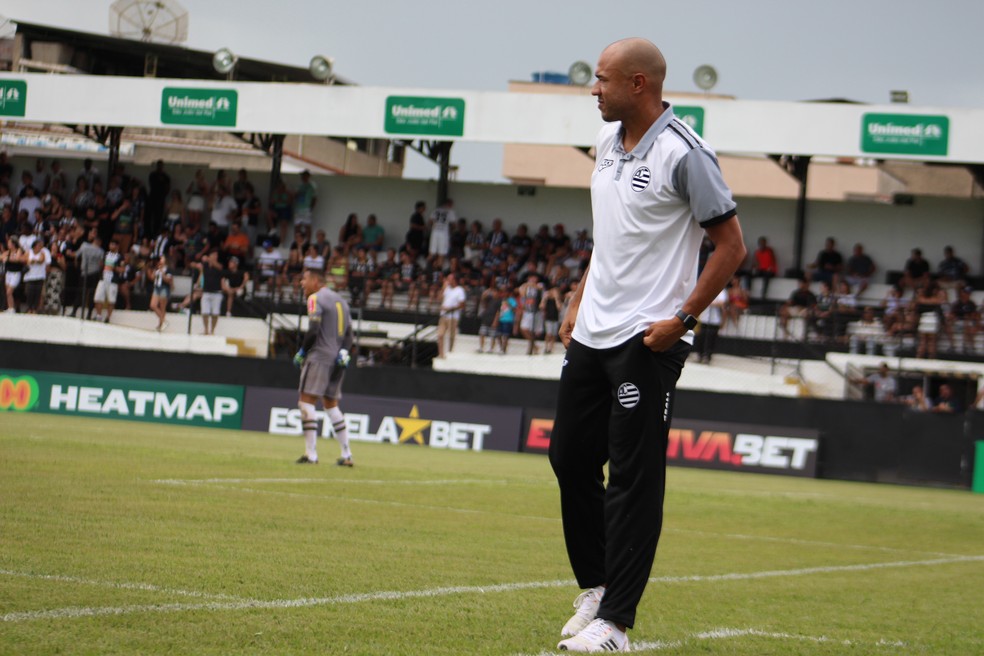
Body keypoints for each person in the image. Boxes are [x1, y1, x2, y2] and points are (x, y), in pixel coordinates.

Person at [549, 38, 746, 653]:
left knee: (633, 478)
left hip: (646, 337)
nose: (593, 89)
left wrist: (682, 320)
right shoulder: (607, 144)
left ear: (638, 84)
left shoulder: (685, 154)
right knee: (569, 457)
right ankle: (598, 584)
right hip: (592, 331)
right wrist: (579, 298)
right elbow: (609, 239)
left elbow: (731, 247)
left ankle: (616, 624)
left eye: (602, 79)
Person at [292, 267, 355, 466]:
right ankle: (346, 455)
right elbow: (349, 334)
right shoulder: (341, 301)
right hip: (337, 359)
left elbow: (313, 329)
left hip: (319, 356)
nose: (302, 283)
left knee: (306, 403)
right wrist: (344, 352)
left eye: (304, 279)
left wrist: (303, 351)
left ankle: (311, 455)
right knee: (331, 405)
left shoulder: (315, 298)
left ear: (315, 281)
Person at [436, 272, 466, 358]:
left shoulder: (460, 290)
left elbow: (462, 305)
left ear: (454, 280)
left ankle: (450, 352)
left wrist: (450, 309)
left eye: (449, 279)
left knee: (451, 335)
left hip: (453, 316)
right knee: (440, 334)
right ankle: (441, 354)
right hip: (444, 315)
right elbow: (439, 299)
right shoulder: (447, 288)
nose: (448, 280)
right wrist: (443, 288)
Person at [149, 255, 173, 331]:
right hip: (157, 287)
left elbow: (168, 280)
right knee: (153, 305)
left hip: (164, 288)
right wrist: (155, 271)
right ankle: (164, 321)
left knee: (162, 307)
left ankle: (161, 325)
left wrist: (162, 272)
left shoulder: (168, 269)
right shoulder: (157, 268)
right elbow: (152, 278)